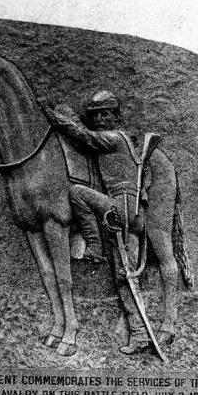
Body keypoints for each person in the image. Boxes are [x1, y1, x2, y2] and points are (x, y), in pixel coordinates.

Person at [38, 90, 151, 354]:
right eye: (96, 115)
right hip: (124, 212)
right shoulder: (117, 139)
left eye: (105, 113)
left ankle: (94, 247)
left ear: (116, 116)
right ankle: (139, 333)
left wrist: (52, 115)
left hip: (121, 208)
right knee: (124, 275)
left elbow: (83, 136)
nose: (100, 119)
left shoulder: (113, 138)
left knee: (77, 192)